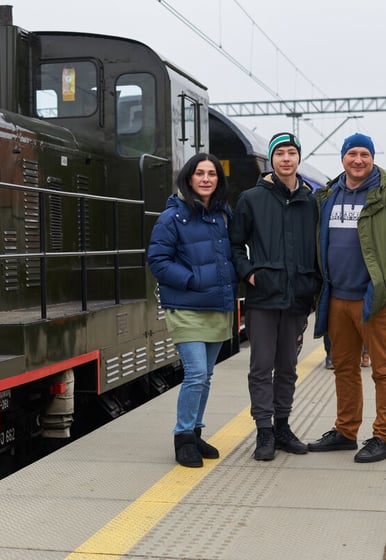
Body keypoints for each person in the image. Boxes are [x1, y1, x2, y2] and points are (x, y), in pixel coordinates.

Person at [308, 133, 386, 463]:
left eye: (364, 154)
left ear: (372, 158)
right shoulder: (328, 195)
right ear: (343, 158)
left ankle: (383, 437)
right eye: (352, 154)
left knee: (384, 370)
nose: (358, 160)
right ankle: (345, 431)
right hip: (337, 297)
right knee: (344, 367)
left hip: (376, 300)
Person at [230, 132, 321, 461]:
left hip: (297, 297)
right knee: (260, 366)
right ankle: (264, 431)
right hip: (263, 297)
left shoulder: (311, 202)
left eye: (291, 153)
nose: (286, 158)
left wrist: (314, 286)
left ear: (298, 158)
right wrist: (249, 273)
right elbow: (235, 245)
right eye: (280, 153)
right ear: (272, 159)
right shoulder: (251, 198)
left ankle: (283, 426)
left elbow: (318, 248)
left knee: (288, 367)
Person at [147, 152, 237, 468]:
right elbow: (157, 260)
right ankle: (183, 436)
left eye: (211, 174)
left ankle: (196, 432)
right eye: (199, 173)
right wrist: (191, 280)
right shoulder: (172, 217)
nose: (205, 179)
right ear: (188, 178)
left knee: (207, 375)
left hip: (217, 306)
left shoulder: (223, 215)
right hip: (186, 306)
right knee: (196, 372)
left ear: (218, 180)